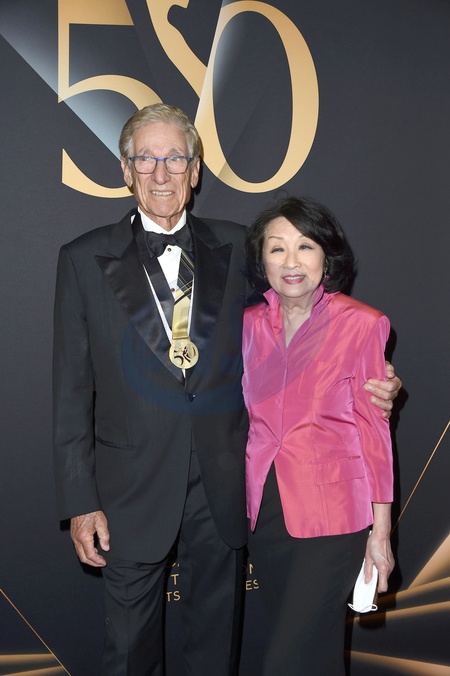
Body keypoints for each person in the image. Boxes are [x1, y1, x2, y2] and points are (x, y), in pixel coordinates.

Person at [53, 105, 400, 675]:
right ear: (125, 169)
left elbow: (305, 307)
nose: (160, 173)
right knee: (129, 652)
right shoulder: (82, 258)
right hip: (129, 492)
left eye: (175, 159)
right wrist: (79, 501)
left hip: (224, 485)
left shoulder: (239, 246)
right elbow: (69, 389)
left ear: (194, 172)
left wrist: (376, 376)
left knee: (216, 650)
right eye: (146, 159)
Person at [243, 195, 395, 675]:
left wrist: (381, 533)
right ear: (262, 261)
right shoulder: (247, 326)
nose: (291, 261)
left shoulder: (362, 324)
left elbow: (375, 433)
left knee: (285, 661)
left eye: (305, 246)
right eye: (277, 248)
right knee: (317, 656)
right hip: (266, 514)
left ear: (326, 258)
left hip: (333, 518)